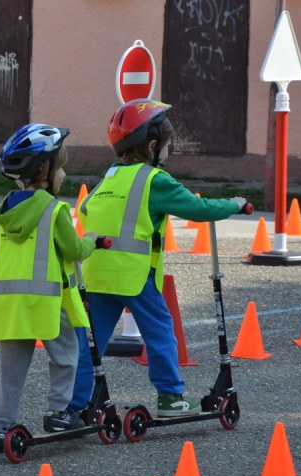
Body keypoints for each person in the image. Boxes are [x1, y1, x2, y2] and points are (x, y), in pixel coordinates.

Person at [68, 98, 247, 418]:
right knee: (161, 331)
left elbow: (85, 208)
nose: (168, 151)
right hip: (135, 276)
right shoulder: (154, 180)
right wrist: (233, 205)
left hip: (98, 273)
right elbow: (199, 209)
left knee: (91, 343)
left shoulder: (110, 176)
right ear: (152, 146)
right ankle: (170, 397)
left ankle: (74, 405)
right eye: (166, 145)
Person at [0, 124, 99, 453]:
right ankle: (59, 412)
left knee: (11, 371)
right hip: (48, 302)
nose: (64, 175)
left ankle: (1, 428)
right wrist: (92, 241)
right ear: (43, 170)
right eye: (60, 168)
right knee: (65, 356)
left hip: (9, 303)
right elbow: (73, 250)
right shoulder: (54, 210)